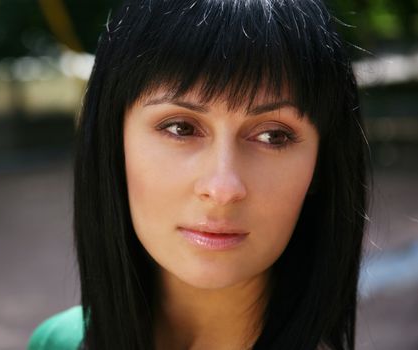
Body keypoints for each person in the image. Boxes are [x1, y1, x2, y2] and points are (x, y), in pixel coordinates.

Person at [29, 0, 369, 349]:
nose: (222, 188)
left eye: (273, 136)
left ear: (321, 167)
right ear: (114, 141)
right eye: (180, 128)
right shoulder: (57, 342)